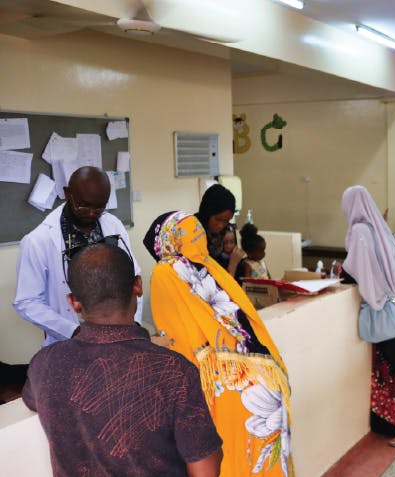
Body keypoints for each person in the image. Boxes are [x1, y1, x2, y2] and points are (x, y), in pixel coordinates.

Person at [22, 243, 223, 477]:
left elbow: (35, 399)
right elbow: (206, 471)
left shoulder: (45, 363)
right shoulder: (175, 371)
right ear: (137, 285)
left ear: (73, 301)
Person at [145, 211, 294, 476]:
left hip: (229, 386)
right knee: (261, 463)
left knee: (233, 461)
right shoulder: (212, 266)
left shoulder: (164, 272)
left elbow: (176, 340)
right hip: (265, 378)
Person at [340, 185, 395, 448]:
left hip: (389, 305)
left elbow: (355, 271)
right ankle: (393, 421)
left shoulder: (359, 231)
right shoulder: (378, 226)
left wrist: (341, 272)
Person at [14, 166, 142, 346]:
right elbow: (27, 301)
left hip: (119, 333)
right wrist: (73, 331)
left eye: (99, 208)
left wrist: (132, 322)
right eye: (84, 206)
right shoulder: (38, 240)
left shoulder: (113, 225)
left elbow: (133, 276)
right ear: (67, 193)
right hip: (71, 339)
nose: (91, 214)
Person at [196, 184, 245, 274]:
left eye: (226, 221)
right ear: (207, 213)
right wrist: (233, 264)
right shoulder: (194, 232)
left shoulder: (227, 231)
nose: (221, 225)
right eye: (218, 219)